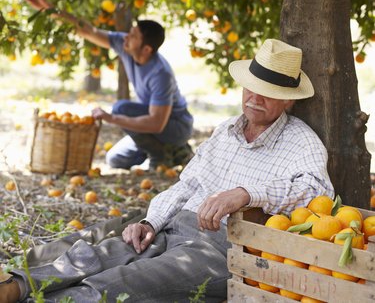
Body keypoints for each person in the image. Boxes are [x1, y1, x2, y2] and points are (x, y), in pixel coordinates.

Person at [0, 38, 334, 303]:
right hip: (174, 227)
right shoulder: (225, 131)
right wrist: (150, 221)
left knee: (125, 283)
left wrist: (247, 194)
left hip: (222, 248)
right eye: (251, 86)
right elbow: (186, 185)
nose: (255, 98)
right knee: (99, 254)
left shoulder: (301, 142)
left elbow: (319, 192)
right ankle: (14, 287)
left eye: (269, 93)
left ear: (288, 101)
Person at [24, 0, 194, 170]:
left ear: (146, 49)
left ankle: (162, 154)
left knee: (122, 108)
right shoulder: (127, 47)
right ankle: (174, 152)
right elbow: (89, 31)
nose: (127, 37)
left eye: (134, 36)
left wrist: (112, 118)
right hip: (155, 126)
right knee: (116, 159)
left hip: (175, 127)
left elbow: (156, 123)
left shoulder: (160, 74)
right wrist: (50, 9)